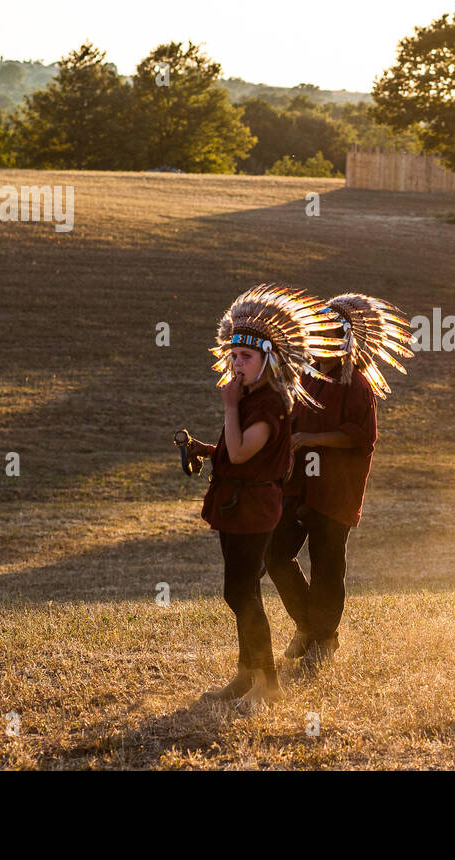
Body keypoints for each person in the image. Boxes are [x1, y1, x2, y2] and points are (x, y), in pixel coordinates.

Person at [191, 285, 340, 712]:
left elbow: (241, 451)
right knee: (238, 591)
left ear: (268, 361)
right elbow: (232, 453)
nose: (237, 363)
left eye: (247, 357)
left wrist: (228, 408)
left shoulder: (269, 403)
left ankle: (268, 682)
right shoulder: (251, 397)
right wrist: (206, 449)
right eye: (234, 355)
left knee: (242, 593)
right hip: (235, 505)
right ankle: (245, 674)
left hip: (255, 511)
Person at [265, 292, 414, 674]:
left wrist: (313, 440)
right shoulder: (308, 378)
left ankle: (324, 638)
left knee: (327, 566)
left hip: (334, 489)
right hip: (298, 485)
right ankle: (308, 626)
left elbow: (361, 437)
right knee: (276, 554)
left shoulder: (356, 385)